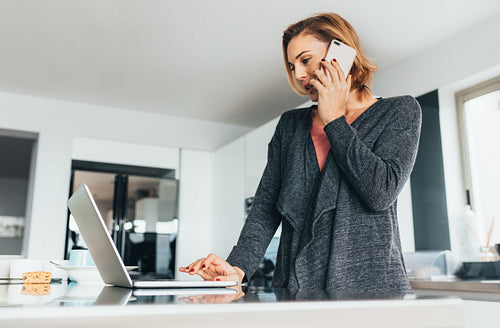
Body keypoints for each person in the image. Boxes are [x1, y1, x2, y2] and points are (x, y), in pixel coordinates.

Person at [179, 12, 421, 295]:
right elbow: (265, 208)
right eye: (293, 67)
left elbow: (380, 192)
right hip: (295, 289)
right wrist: (237, 268)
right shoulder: (291, 126)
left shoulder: (399, 111)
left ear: (340, 53)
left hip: (371, 292)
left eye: (305, 60)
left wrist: (334, 121)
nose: (299, 75)